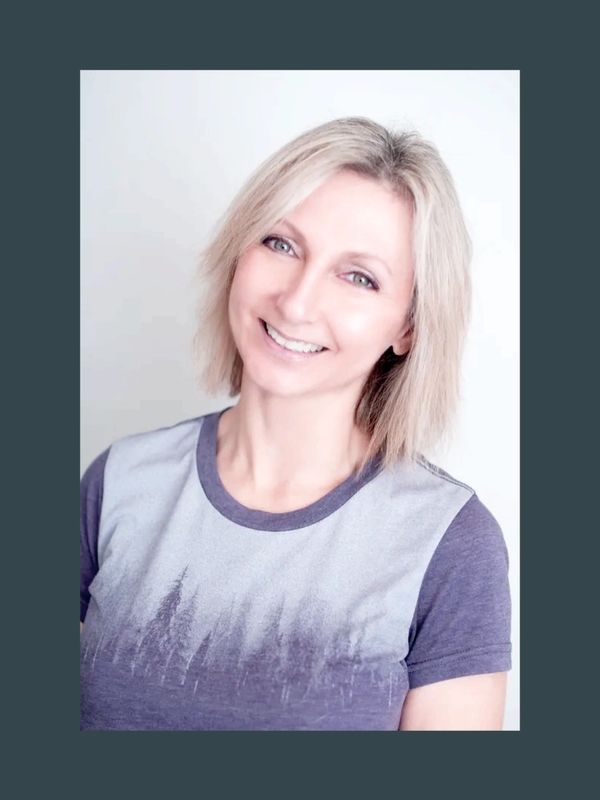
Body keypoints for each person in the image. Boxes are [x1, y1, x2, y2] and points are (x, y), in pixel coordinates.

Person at [80, 117, 512, 731]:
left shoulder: (449, 543)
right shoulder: (118, 483)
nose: (297, 301)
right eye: (281, 244)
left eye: (359, 277)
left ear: (408, 329)